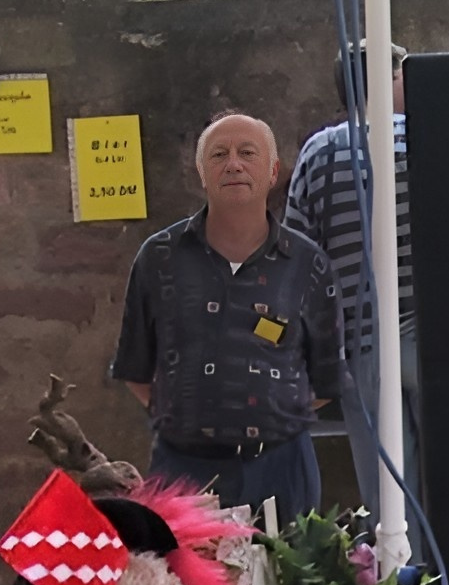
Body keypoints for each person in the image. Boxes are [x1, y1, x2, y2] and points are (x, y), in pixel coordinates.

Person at [112, 112, 341, 522]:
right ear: (202, 173)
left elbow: (325, 378)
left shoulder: (307, 264)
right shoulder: (158, 259)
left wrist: (267, 419)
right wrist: (193, 418)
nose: (233, 163)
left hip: (282, 469)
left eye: (247, 153)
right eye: (219, 154)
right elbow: (135, 367)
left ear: (272, 172)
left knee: (285, 583)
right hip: (185, 472)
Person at [285, 46, 415, 521]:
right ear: (386, 80)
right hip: (432, 338)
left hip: (361, 347)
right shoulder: (427, 135)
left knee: (390, 503)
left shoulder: (318, 153)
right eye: (404, 73)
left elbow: (298, 259)